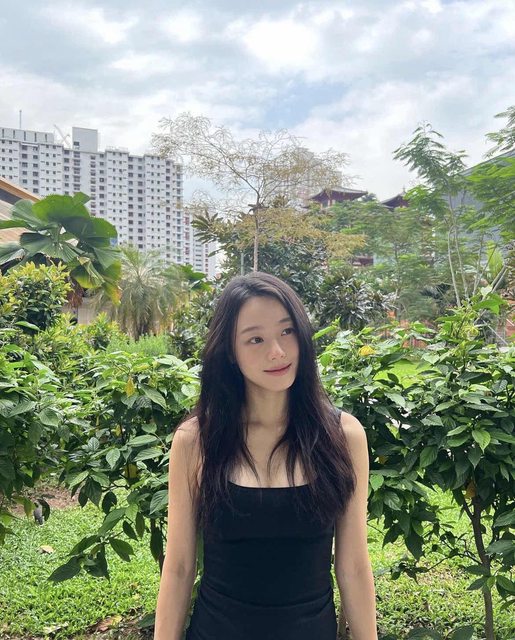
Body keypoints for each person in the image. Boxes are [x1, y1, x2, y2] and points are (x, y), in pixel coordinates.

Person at [154, 272, 377, 640]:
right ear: (230, 351)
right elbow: (178, 567)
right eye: (255, 339)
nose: (277, 351)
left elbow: (352, 566)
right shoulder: (196, 441)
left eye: (287, 331)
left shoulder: (343, 435)